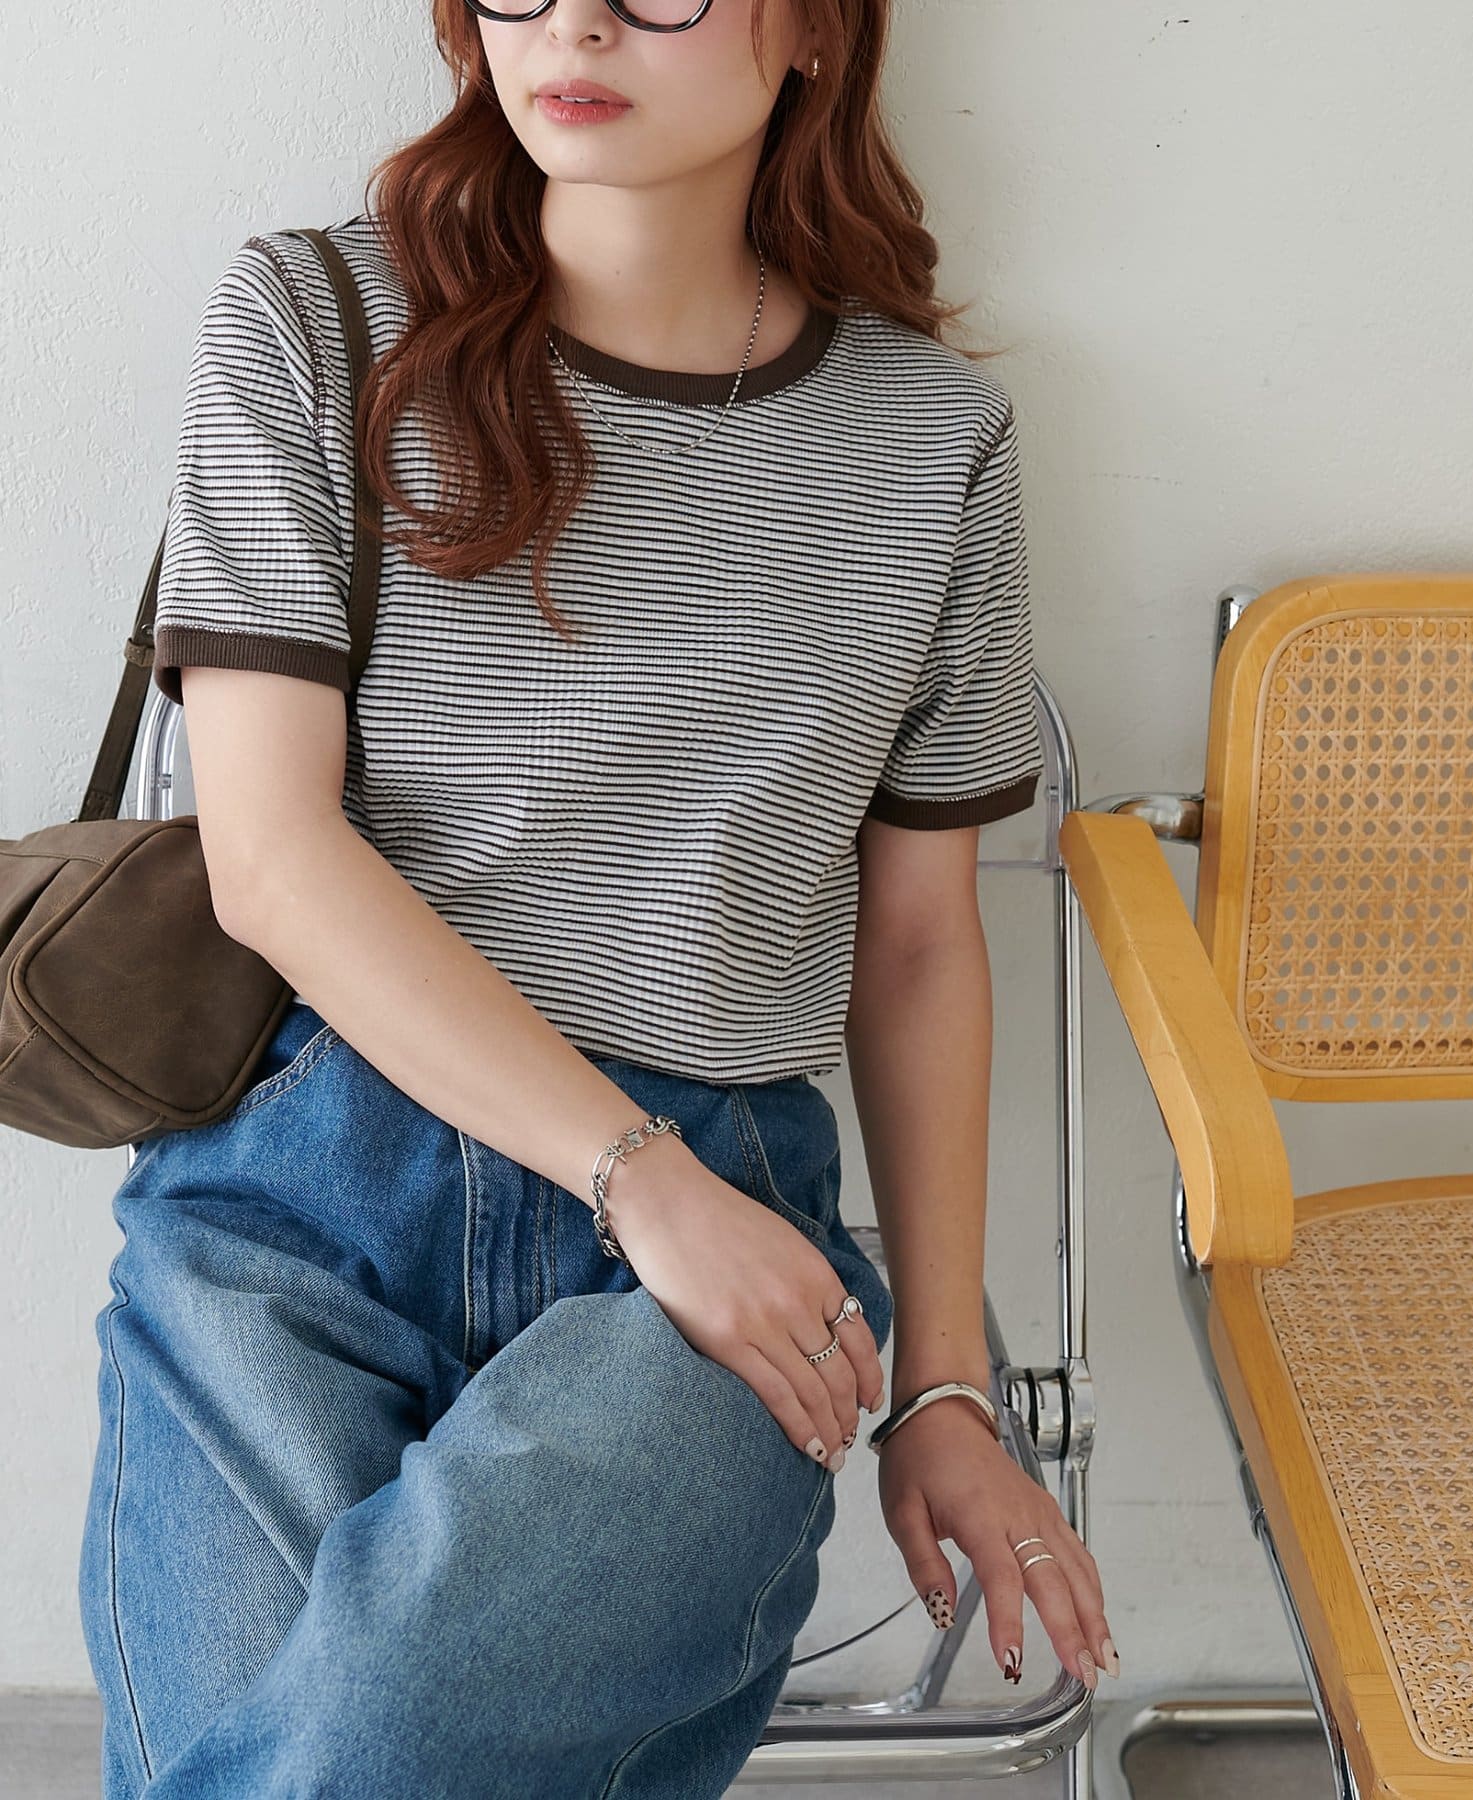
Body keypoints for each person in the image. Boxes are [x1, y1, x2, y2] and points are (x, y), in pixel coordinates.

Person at [77, 0, 1117, 1793]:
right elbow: (270, 855)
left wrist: (944, 1384)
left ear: (815, 29)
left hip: (719, 1239)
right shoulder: (318, 323)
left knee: (353, 1749)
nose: (571, 18)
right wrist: (635, 1180)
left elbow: (920, 946)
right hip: (303, 1197)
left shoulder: (931, 442)